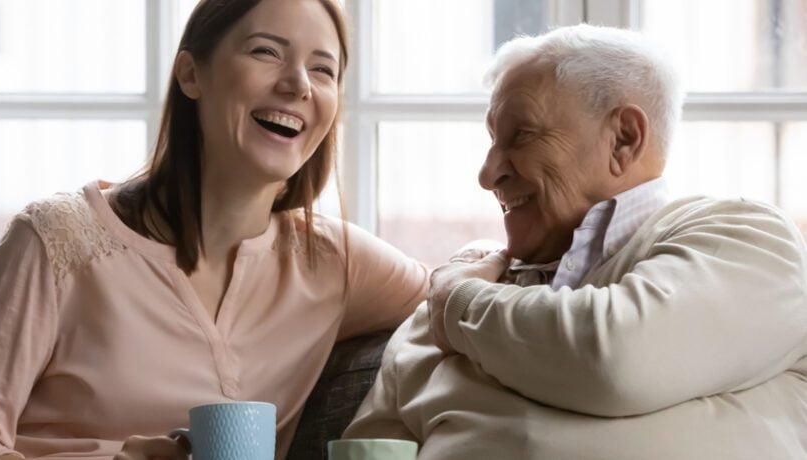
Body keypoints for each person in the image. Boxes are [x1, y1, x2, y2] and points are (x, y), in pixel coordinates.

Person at [0, 1, 429, 459]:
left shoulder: (333, 261)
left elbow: (459, 294)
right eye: (266, 52)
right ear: (191, 73)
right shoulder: (55, 240)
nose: (299, 84)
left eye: (324, 69)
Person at [343, 24, 807, 459]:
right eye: (491, 141)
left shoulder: (749, 240)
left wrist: (459, 303)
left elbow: (617, 360)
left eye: (521, 135)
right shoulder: (448, 301)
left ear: (624, 139)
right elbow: (372, 449)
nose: (488, 174)